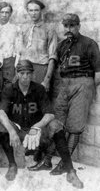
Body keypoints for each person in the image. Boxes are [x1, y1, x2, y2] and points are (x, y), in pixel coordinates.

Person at [28, 14, 100, 176]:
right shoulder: (62, 45)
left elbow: (98, 72)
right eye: (65, 26)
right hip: (65, 85)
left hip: (83, 84)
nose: (68, 29)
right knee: (55, 123)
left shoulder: (89, 44)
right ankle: (46, 161)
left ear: (78, 26)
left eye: (72, 26)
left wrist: (88, 89)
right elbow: (55, 62)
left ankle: (64, 164)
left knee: (74, 127)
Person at [0, 60, 84, 189]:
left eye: (28, 73)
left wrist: (36, 127)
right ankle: (12, 165)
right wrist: (12, 131)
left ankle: (70, 171)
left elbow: (50, 114)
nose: (25, 76)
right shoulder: (9, 89)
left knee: (55, 125)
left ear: (32, 74)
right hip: (19, 129)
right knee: (2, 126)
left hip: (37, 133)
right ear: (17, 73)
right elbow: (0, 112)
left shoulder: (39, 89)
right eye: (22, 73)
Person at [20, 0, 58, 95]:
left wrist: (47, 80)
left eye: (36, 10)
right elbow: (20, 53)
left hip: (40, 69)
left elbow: (52, 57)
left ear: (41, 11)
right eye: (30, 10)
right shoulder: (24, 29)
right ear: (27, 11)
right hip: (25, 70)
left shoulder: (49, 30)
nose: (33, 13)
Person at [0, 2, 22, 87]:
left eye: (7, 12)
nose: (4, 15)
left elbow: (18, 50)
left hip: (9, 63)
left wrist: (15, 67)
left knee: (9, 88)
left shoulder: (16, 29)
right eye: (2, 12)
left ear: (10, 14)